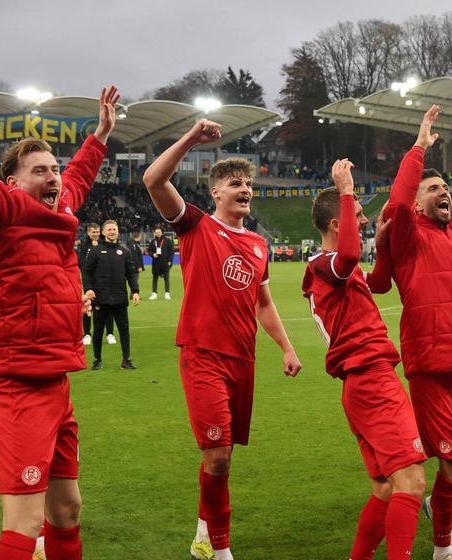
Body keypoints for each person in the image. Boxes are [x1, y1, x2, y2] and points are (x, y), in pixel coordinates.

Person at [0, 36, 118, 560]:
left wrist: (102, 135)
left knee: (66, 511)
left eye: (54, 169)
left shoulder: (60, 214)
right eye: (40, 170)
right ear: (12, 183)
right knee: (24, 521)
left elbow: (80, 176)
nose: (53, 177)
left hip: (56, 380)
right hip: (14, 384)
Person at [141, 118, 302, 560]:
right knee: (219, 457)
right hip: (203, 354)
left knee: (220, 455)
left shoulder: (257, 244)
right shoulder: (195, 226)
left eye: (248, 182)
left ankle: (201, 532)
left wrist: (286, 347)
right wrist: (192, 137)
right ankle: (220, 548)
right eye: (235, 183)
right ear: (215, 192)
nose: (244, 188)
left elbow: (264, 304)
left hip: (242, 360)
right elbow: (153, 179)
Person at [366, 97, 452, 560]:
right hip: (432, 365)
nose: (446, 192)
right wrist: (418, 147)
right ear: (419, 203)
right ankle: (443, 543)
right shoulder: (407, 233)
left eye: (446, 186)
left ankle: (437, 509)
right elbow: (398, 200)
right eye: (434, 188)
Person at [303, 160, 425, 560]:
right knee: (411, 482)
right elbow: (352, 253)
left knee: (387, 489)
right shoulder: (326, 265)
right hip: (371, 381)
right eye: (355, 214)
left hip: (361, 385)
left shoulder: (334, 272)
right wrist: (346, 187)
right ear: (337, 223)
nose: (363, 218)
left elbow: (379, 282)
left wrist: (386, 244)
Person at [81, 220, 140, 370]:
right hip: (100, 298)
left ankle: (126, 360)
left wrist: (135, 291)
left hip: (120, 298)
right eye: (109, 229)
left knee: (124, 330)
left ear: (118, 231)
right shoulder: (95, 251)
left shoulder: (124, 251)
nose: (112, 231)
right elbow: (86, 271)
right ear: (103, 232)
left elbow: (131, 273)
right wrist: (88, 289)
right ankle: (97, 360)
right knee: (98, 330)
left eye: (114, 229)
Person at [77, 222, 101, 345]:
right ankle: (87, 334)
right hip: (89, 280)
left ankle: (108, 333)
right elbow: (81, 262)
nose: (96, 234)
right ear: (88, 233)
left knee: (102, 307)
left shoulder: (103, 243)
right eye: (93, 232)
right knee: (87, 306)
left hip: (102, 280)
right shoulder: (84, 245)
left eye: (97, 232)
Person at [149, 225, 175, 300]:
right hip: (156, 263)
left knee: (166, 278)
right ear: (154, 233)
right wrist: (153, 254)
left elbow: (172, 251)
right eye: (156, 232)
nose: (158, 234)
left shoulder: (167, 240)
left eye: (159, 232)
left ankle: (167, 293)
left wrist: (170, 260)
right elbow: (149, 251)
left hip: (165, 262)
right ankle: (154, 293)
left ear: (162, 232)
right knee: (155, 278)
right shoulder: (153, 241)